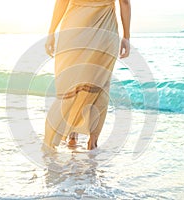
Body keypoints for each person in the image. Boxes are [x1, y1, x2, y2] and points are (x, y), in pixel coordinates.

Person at [44, 0, 131, 150]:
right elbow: (124, 2)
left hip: (74, 27)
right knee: (100, 83)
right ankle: (92, 142)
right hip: (106, 29)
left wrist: (51, 32)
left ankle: (59, 139)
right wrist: (126, 37)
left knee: (69, 83)